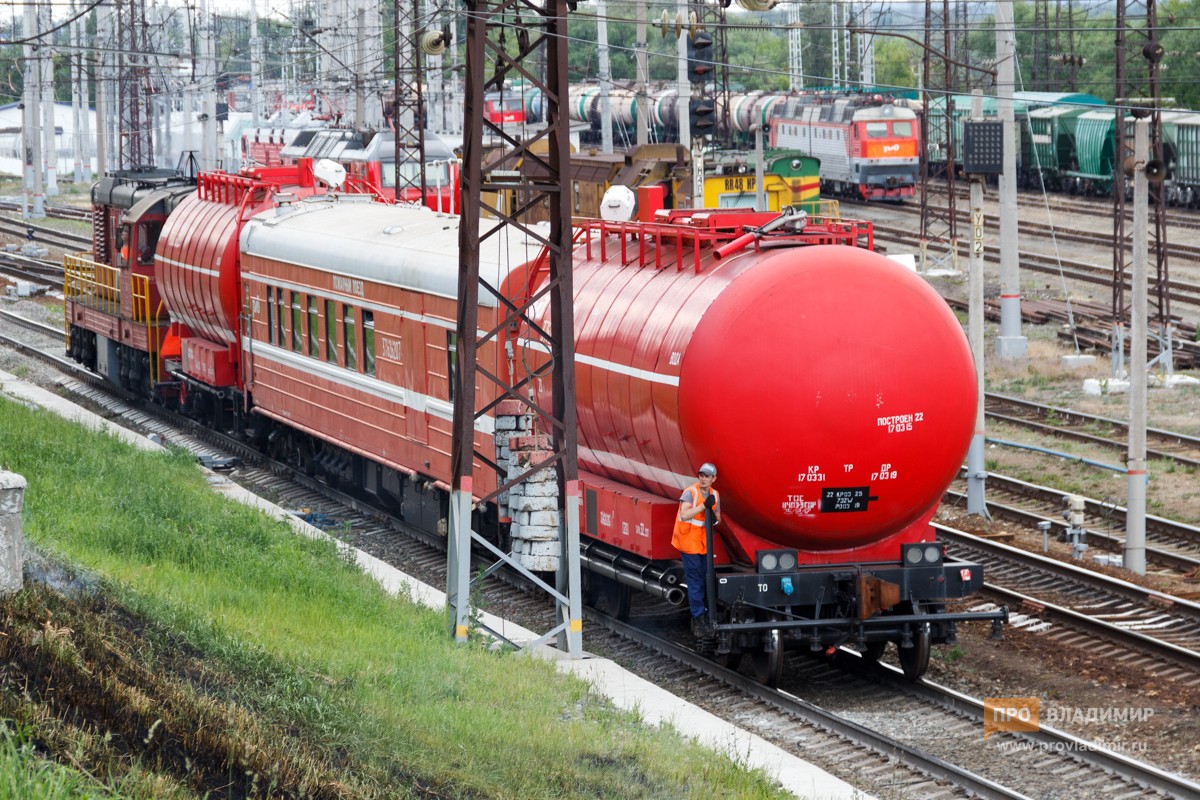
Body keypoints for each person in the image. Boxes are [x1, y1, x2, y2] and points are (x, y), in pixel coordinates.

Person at [673, 462, 721, 637]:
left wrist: (714, 517)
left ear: (713, 479)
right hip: (688, 542)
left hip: (703, 544)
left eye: (707, 476)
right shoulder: (690, 493)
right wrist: (703, 506)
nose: (703, 479)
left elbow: (718, 518)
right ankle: (699, 618)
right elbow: (685, 514)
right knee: (696, 581)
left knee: (706, 579)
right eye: (701, 475)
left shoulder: (715, 494)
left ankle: (707, 613)